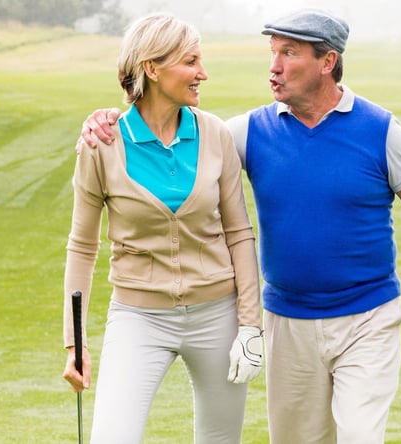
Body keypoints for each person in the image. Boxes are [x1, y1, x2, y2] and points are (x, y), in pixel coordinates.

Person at [77, 9, 401, 444]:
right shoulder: (246, 132)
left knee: (360, 434)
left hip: (367, 318)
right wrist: (107, 119)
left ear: (327, 62)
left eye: (289, 53)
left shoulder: (381, 130)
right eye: (273, 52)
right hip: (287, 323)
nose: (273, 66)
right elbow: (174, 134)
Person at [60, 13, 263, 444]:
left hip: (218, 316)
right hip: (139, 317)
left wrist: (250, 325)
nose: (202, 74)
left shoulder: (215, 135)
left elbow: (239, 233)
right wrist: (73, 343)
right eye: (190, 62)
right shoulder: (103, 144)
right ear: (151, 68)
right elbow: (82, 246)